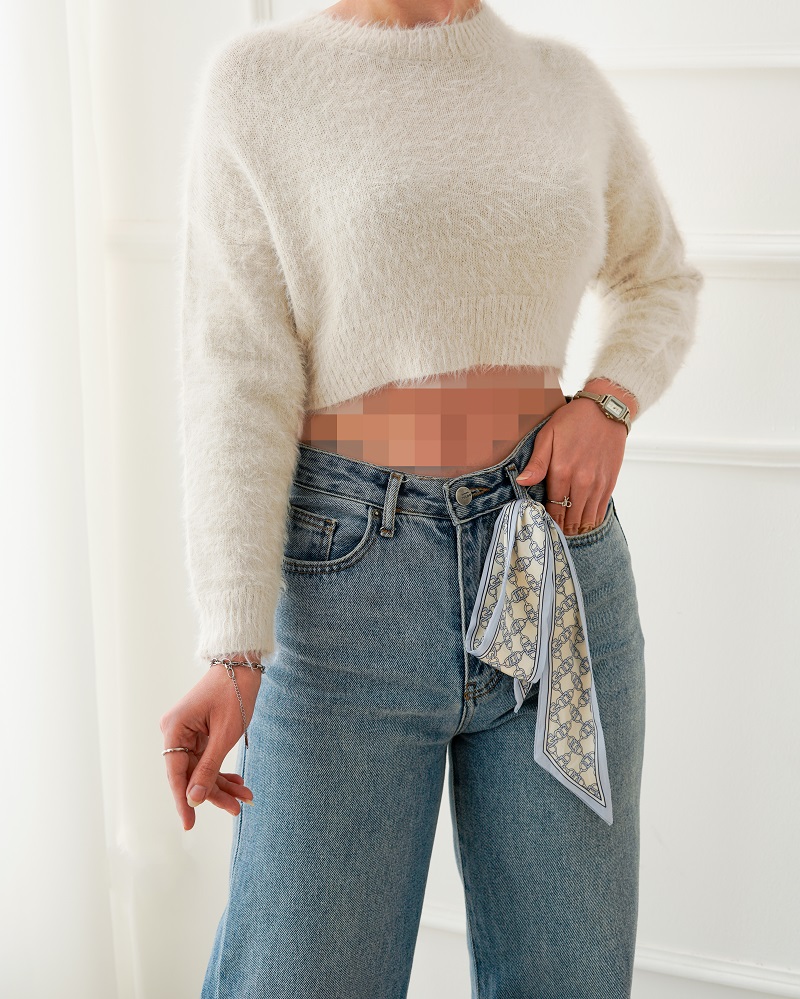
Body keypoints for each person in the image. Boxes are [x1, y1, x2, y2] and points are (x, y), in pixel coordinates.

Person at [159, 1, 704, 996]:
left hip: (554, 557)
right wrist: (233, 647)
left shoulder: (563, 85)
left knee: (570, 976)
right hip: (347, 593)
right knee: (302, 974)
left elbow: (659, 278)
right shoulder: (260, 83)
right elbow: (235, 370)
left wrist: (608, 402)